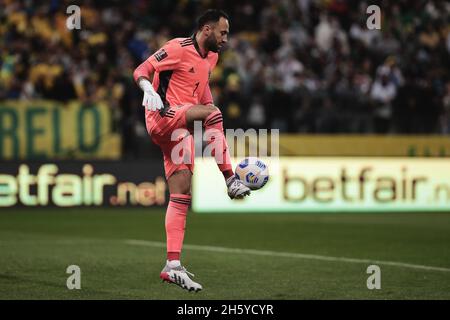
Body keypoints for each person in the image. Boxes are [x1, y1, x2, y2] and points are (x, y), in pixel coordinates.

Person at [133, 9, 251, 292]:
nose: (226, 39)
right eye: (222, 33)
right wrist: (147, 87)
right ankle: (230, 179)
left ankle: (172, 266)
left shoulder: (212, 57)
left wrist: (208, 109)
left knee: (181, 192)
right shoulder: (177, 47)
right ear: (206, 30)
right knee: (213, 114)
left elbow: (203, 93)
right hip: (162, 115)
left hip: (179, 130)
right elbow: (141, 69)